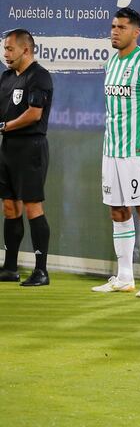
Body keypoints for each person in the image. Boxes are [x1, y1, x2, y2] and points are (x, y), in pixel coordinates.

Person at [92, 8, 140, 296]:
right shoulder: (112, 62)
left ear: (136, 32)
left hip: (138, 150)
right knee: (118, 210)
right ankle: (124, 276)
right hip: (112, 149)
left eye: (121, 27)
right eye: (113, 26)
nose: (115, 31)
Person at [0, 30, 55, 287]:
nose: (5, 54)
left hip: (31, 147)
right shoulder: (7, 77)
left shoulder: (40, 76)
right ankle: (10, 268)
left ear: (26, 49)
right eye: (5, 49)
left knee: (33, 207)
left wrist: (5, 126)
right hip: (8, 148)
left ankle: (41, 271)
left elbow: (34, 114)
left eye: (10, 49)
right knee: (10, 207)